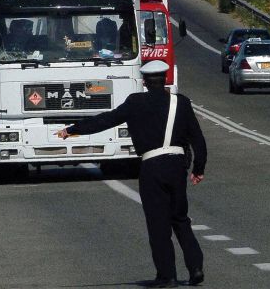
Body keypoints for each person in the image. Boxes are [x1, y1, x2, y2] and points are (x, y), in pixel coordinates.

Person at [58, 60, 207, 288]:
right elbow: (198, 139)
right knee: (180, 218)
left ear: (145, 81)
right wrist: (198, 169)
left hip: (152, 166)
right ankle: (196, 267)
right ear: (165, 79)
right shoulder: (182, 103)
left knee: (158, 224)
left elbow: (106, 120)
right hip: (177, 166)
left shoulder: (135, 102)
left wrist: (73, 129)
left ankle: (167, 276)